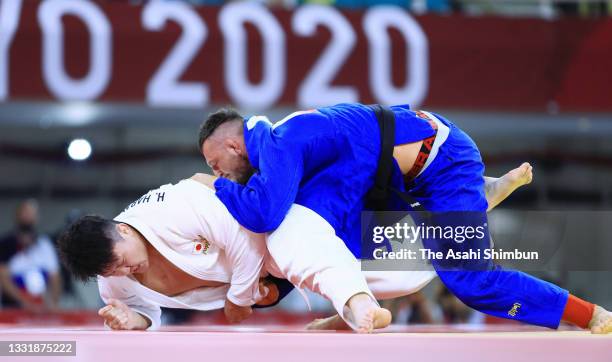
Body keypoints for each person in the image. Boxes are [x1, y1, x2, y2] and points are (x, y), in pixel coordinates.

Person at [199, 103, 612, 334]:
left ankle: (590, 315)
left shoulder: (277, 141)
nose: (219, 173)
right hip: (399, 178)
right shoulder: (283, 142)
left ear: (235, 146)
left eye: (216, 165)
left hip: (445, 164)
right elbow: (291, 226)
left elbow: (264, 211)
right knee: (327, 231)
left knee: (470, 281)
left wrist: (213, 187)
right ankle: (354, 305)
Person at [57, 174, 391, 332]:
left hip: (275, 226)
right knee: (388, 270)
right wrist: (133, 320)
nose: (122, 271)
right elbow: (147, 315)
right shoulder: (113, 284)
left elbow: (243, 239)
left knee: (402, 269)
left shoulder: (174, 207)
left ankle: (356, 302)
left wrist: (238, 299)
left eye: (118, 260)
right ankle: (349, 308)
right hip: (261, 280)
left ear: (124, 229)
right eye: (111, 271)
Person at [0, 199, 62, 312]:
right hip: (13, 307)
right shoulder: (6, 244)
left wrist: (54, 302)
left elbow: (55, 276)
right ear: (17, 215)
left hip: (41, 306)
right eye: (25, 213)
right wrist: (24, 302)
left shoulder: (44, 244)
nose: (28, 217)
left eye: (31, 213)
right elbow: (3, 277)